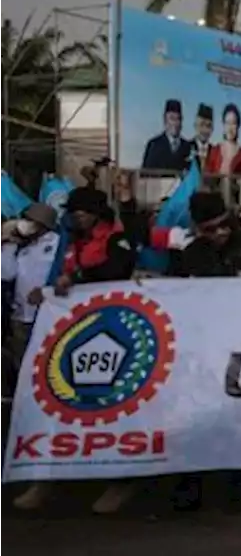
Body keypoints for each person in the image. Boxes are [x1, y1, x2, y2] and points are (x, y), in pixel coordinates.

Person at [20, 188, 139, 515]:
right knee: (61, 404)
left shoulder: (116, 241)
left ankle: (119, 481)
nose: (76, 217)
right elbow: (56, 273)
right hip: (73, 332)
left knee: (111, 406)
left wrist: (77, 276)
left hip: (112, 333)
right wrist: (46, 292)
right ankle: (47, 480)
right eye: (73, 212)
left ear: (96, 213)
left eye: (82, 212)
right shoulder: (71, 240)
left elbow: (117, 271)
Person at [166, 191, 241, 515]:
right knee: (195, 415)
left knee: (239, 417)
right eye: (210, 229)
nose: (220, 234)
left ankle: (240, 488)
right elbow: (173, 288)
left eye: (223, 225)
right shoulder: (193, 253)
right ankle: (191, 484)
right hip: (202, 346)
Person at [0, 204, 61, 402]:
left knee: (47, 362)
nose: (25, 224)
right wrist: (8, 244)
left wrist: (47, 292)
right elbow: (7, 273)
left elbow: (64, 274)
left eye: (30, 220)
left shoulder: (57, 244)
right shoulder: (22, 247)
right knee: (21, 362)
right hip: (21, 315)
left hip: (46, 314)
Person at [141, 99, 193, 171]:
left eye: (178, 119)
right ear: (165, 120)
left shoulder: (188, 147)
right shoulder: (154, 145)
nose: (175, 123)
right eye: (172, 118)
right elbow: (146, 174)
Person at [206, 103, 241, 175]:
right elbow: (207, 178)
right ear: (223, 125)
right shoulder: (214, 151)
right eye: (227, 123)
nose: (230, 128)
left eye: (233, 123)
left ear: (238, 126)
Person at [192, 103, 215, 170]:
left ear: (212, 129)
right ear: (195, 125)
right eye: (201, 125)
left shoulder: (215, 152)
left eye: (208, 126)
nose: (204, 130)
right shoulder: (186, 147)